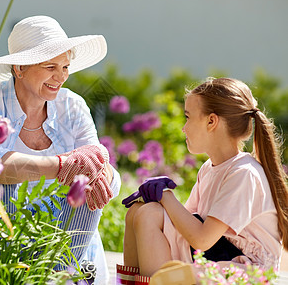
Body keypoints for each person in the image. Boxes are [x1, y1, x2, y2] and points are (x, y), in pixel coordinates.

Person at [0, 15, 121, 282]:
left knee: (88, 184)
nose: (60, 76)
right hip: (8, 246)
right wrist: (65, 166)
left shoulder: (73, 106)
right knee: (4, 184)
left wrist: (100, 174)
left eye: (65, 67)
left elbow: (97, 163)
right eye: (50, 66)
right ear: (19, 68)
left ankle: (61, 275)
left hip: (74, 248)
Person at [118, 77, 288, 283]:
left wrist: (165, 196)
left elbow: (201, 239)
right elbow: (183, 224)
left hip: (246, 271)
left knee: (150, 215)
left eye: (188, 117)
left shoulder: (244, 174)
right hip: (219, 255)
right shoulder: (209, 168)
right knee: (139, 211)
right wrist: (152, 199)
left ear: (211, 121)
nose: (184, 127)